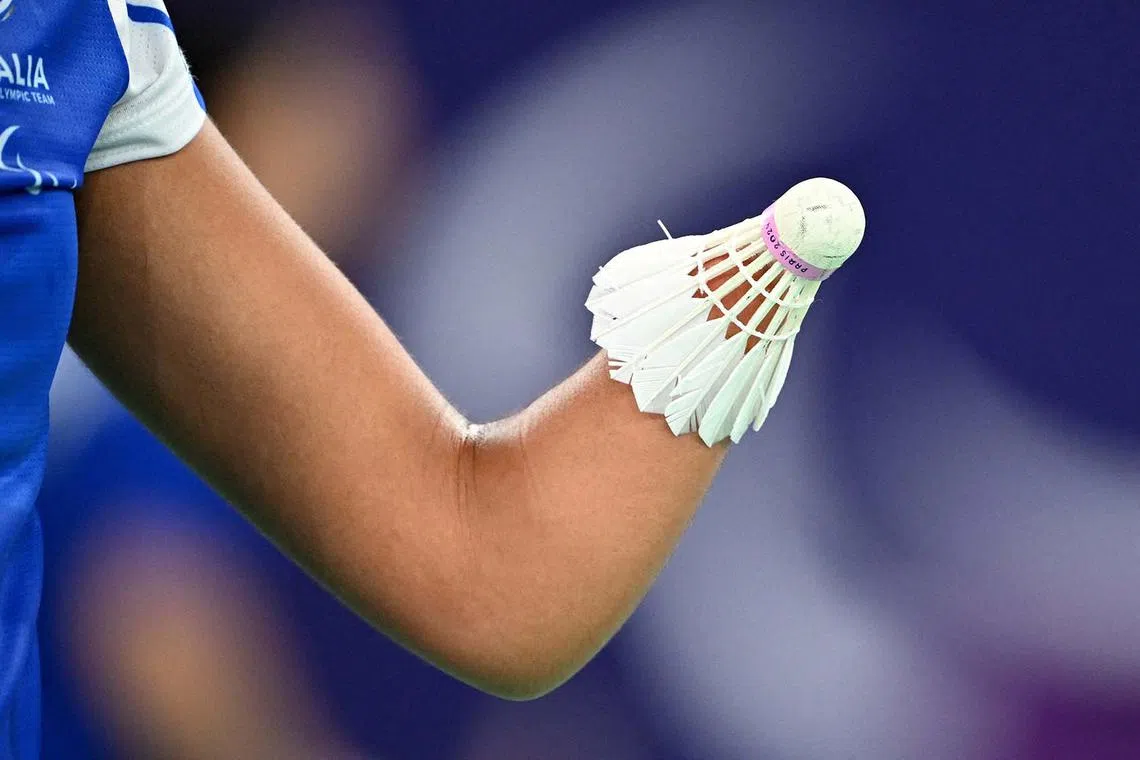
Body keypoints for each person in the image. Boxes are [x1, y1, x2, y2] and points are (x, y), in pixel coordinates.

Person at [0, 1, 777, 755]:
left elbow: (490, 575)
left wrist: (713, 318)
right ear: (250, 97)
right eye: (329, 80)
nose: (377, 117)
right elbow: (150, 621)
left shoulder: (86, 42)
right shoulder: (127, 419)